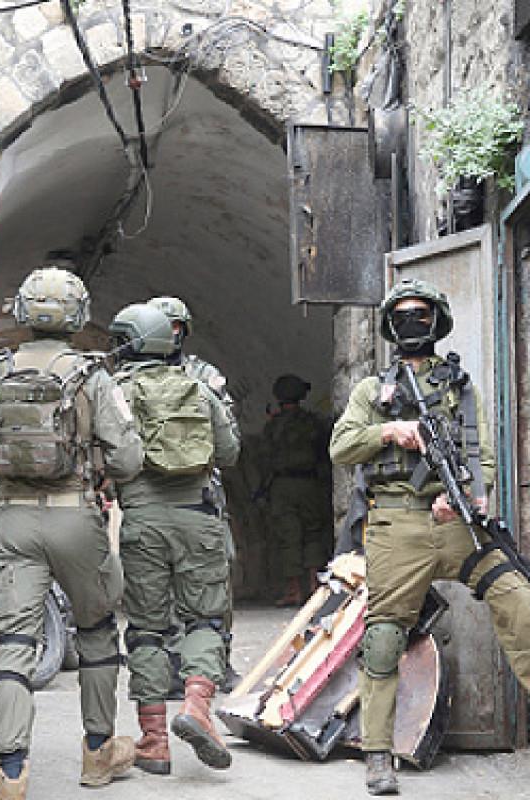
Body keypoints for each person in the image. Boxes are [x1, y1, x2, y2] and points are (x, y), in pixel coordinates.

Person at [329, 278, 530, 796]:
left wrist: (469, 497)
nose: (412, 323)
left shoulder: (459, 388)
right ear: (390, 326)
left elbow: (483, 458)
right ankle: (378, 752)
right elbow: (341, 447)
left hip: (455, 525)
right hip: (396, 526)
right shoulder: (372, 392)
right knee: (384, 635)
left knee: (519, 599)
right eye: (402, 315)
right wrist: (391, 431)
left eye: (421, 314)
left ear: (436, 321)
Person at [0, 267, 144, 797]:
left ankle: (11, 774)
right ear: (79, 315)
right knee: (96, 630)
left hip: (13, 521)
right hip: (77, 520)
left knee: (14, 640)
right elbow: (130, 459)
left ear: (22, 312)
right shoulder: (93, 376)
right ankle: (97, 753)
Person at [108, 303, 240, 775]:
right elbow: (229, 451)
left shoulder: (116, 391)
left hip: (143, 522)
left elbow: (108, 458)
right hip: (198, 517)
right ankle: (197, 706)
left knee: (147, 628)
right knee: (205, 619)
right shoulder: (199, 388)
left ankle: (155, 741)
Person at [147, 295, 243, 693]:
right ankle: (172, 662)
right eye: (161, 327)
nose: (169, 335)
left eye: (175, 328)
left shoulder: (203, 375)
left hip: (202, 488)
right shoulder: (133, 377)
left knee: (217, 575)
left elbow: (228, 437)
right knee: (159, 583)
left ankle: (217, 657)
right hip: (153, 491)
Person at [262, 373, 332, 606]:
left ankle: (293, 590)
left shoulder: (273, 426)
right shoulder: (313, 423)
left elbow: (266, 457)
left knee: (288, 536)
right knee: (313, 532)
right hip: (310, 484)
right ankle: (314, 586)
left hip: (282, 485)